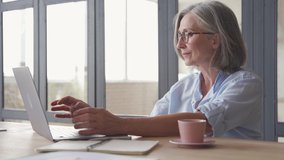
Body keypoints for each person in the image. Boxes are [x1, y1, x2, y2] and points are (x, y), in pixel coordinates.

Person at [51, 1, 263, 139]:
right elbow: (148, 126)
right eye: (179, 35)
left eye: (187, 34)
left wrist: (114, 123)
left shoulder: (245, 83)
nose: (180, 45)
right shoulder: (183, 86)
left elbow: (203, 123)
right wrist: (98, 118)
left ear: (215, 40)